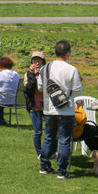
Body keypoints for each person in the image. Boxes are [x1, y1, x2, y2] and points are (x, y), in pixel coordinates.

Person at [37, 40, 83, 179]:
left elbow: (40, 87)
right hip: (66, 109)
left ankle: (44, 166)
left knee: (48, 137)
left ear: (55, 52)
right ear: (68, 54)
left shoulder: (45, 68)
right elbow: (78, 90)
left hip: (49, 109)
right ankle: (61, 170)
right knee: (64, 140)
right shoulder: (71, 69)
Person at [24, 51, 46, 159]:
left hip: (47, 106)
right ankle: (40, 153)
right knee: (38, 131)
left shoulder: (47, 72)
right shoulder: (28, 74)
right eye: (34, 59)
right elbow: (28, 89)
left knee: (50, 131)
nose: (37, 61)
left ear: (43, 61)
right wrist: (33, 74)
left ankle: (49, 151)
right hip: (34, 105)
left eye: (39, 59)